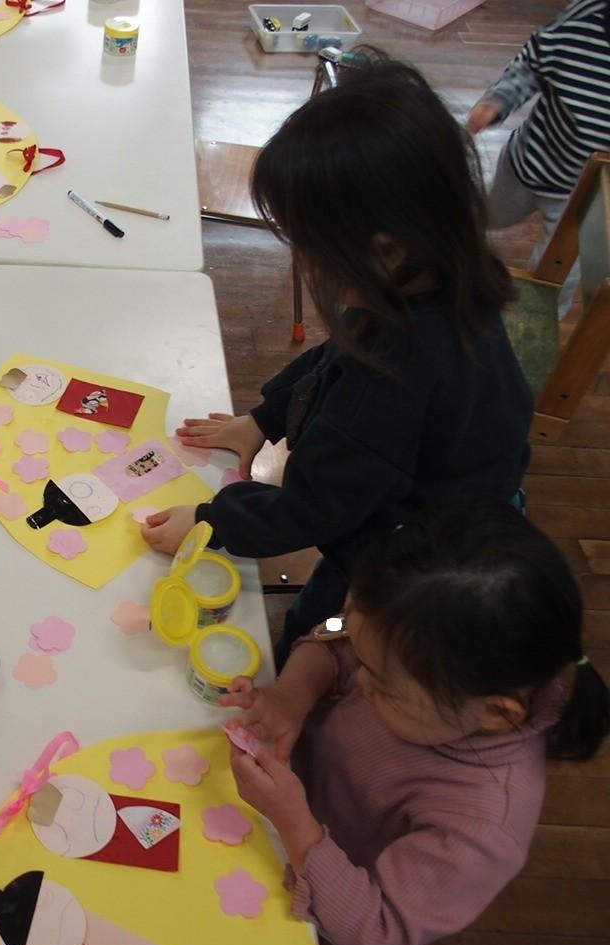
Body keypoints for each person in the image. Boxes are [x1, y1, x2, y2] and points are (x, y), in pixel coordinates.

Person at [142, 54, 533, 667]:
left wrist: (208, 520)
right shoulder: (436, 278)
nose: (302, 259)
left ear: (384, 248)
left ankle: (308, 671)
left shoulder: (391, 385)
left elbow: (310, 509)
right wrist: (264, 418)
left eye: (308, 244)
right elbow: (335, 356)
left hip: (413, 565)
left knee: (327, 634)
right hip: (460, 503)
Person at [221, 500, 609, 945]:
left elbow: (380, 935)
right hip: (278, 804)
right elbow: (335, 636)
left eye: (380, 683)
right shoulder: (415, 648)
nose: (359, 679)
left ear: (494, 714)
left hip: (318, 890)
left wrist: (294, 824)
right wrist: (293, 694)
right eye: (363, 657)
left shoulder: (482, 826)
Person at [468, 0, 610, 319]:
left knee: (555, 276)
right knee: (487, 215)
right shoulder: (583, 18)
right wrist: (499, 99)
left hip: (584, 197)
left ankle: (536, 323)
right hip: (527, 163)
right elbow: (531, 65)